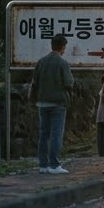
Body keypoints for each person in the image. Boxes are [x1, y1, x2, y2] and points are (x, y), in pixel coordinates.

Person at [29, 34, 74, 175]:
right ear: (62, 47)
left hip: (42, 102)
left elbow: (34, 82)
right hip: (58, 103)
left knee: (43, 134)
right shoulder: (62, 63)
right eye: (64, 48)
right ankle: (54, 164)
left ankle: (43, 165)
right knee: (56, 134)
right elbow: (69, 83)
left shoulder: (41, 62)